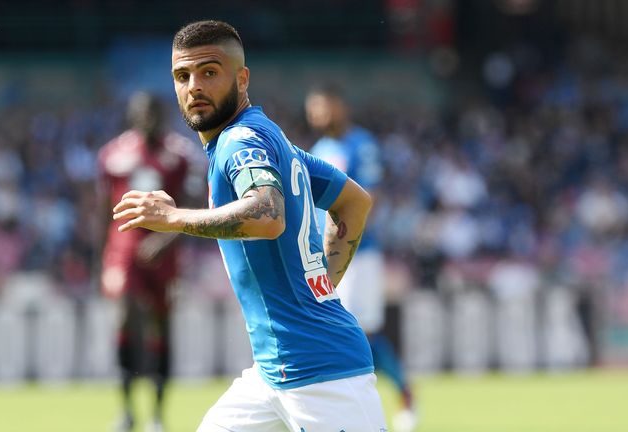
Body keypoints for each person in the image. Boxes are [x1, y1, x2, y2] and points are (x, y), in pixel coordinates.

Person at [113, 20, 388, 431]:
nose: (194, 87)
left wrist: (174, 219)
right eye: (182, 76)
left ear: (241, 79)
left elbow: (267, 214)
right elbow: (353, 202)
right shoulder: (270, 138)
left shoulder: (241, 141)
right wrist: (321, 286)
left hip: (324, 378)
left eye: (209, 72)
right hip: (273, 373)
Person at [305, 85, 419, 432]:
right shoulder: (319, 150)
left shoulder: (361, 144)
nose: (317, 116)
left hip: (360, 253)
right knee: (340, 328)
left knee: (359, 331)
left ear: (339, 106)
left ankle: (402, 394)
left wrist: (344, 232)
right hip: (323, 254)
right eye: (312, 110)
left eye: (322, 107)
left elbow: (370, 197)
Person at [98, 91, 198, 432]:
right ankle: (126, 411)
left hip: (165, 253)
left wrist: (167, 238)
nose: (148, 119)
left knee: (161, 326)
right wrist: (105, 259)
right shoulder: (114, 155)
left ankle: (157, 414)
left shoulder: (180, 156)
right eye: (141, 113)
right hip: (125, 249)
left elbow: (192, 209)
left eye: (153, 112)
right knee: (124, 318)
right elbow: (103, 210)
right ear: (132, 116)